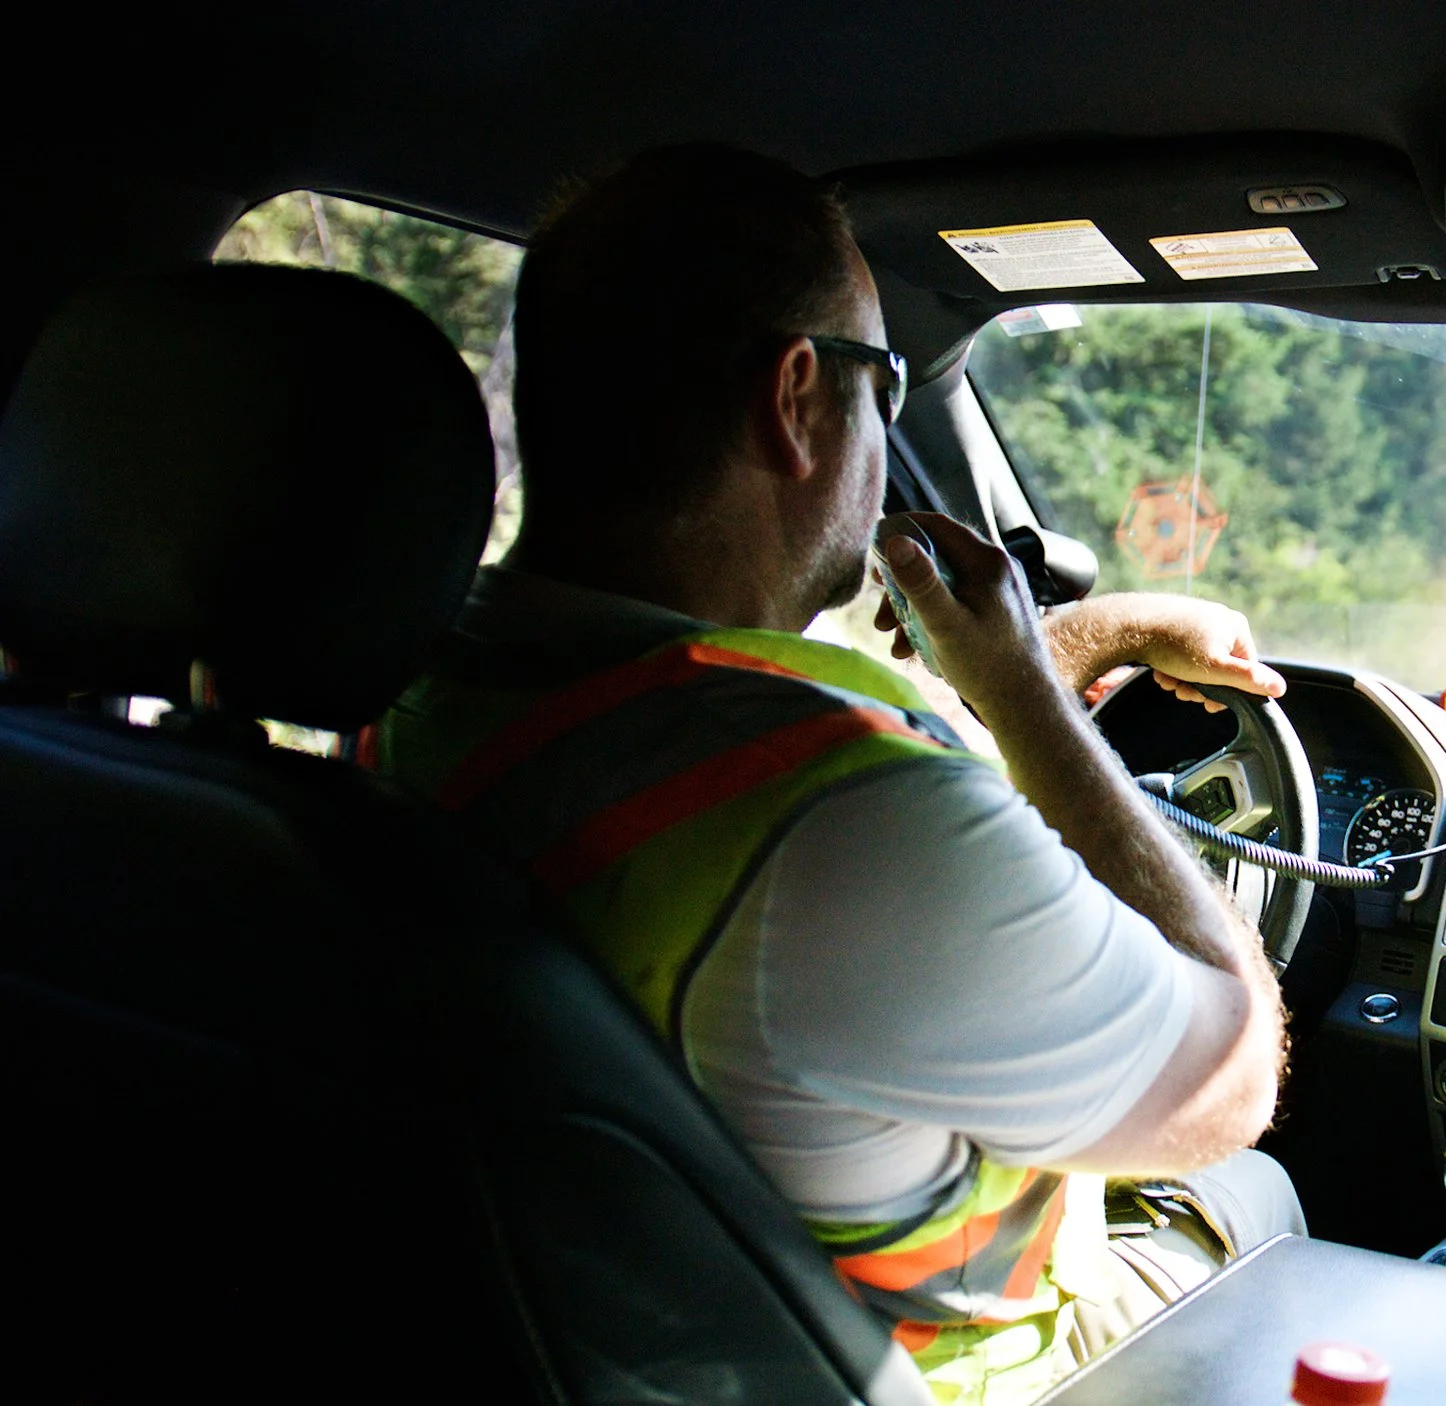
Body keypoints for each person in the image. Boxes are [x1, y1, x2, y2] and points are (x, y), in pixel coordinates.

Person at [375, 144, 1304, 1404]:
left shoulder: (411, 700)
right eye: (890, 384)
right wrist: (1029, 690)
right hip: (940, 1372)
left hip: (561, 1335)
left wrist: (1065, 644)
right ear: (798, 396)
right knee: (1252, 1195)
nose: (888, 425)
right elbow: (1231, 1078)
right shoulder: (847, 821)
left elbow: (859, 750)